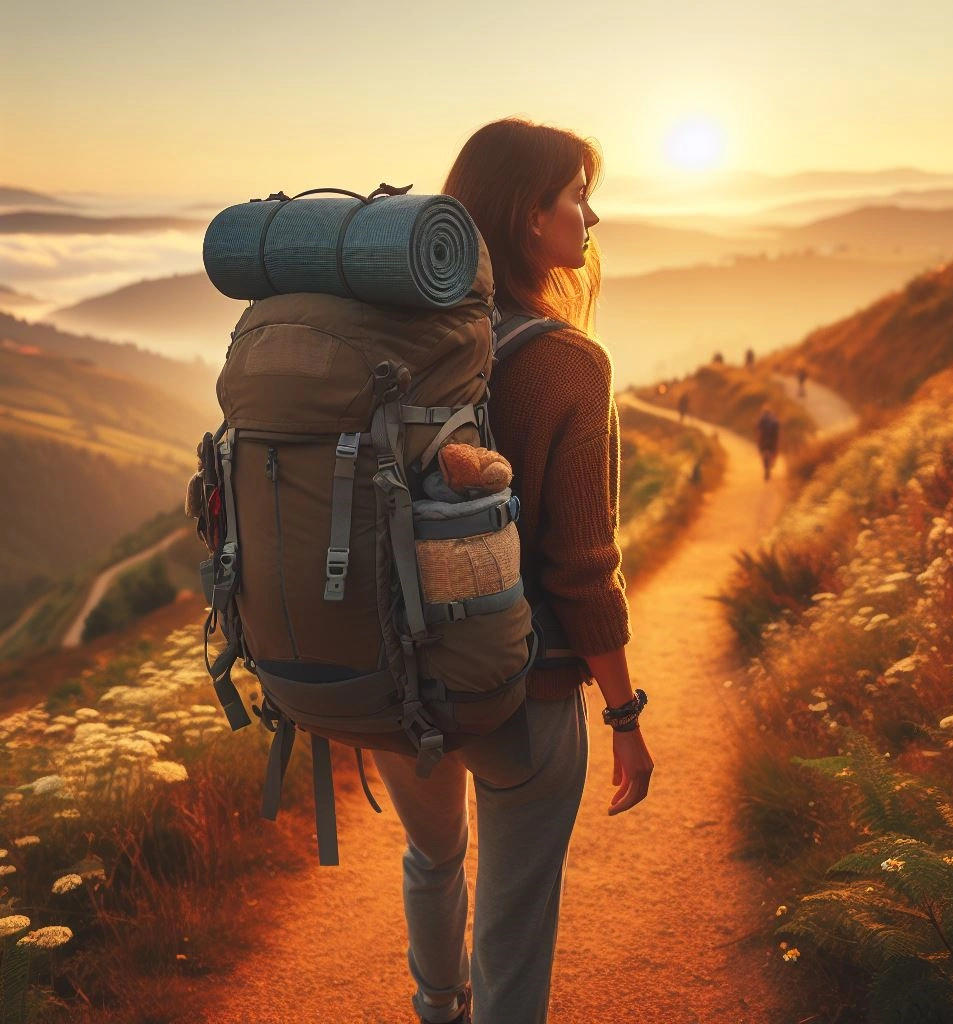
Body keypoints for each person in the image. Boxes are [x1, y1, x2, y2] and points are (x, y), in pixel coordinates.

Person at [371, 118, 654, 1024]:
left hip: (398, 677)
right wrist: (623, 711)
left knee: (433, 858)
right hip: (520, 689)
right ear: (531, 220)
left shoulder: (401, 339)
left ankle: (434, 1005)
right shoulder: (568, 363)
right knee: (515, 926)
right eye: (576, 196)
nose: (591, 216)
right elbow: (580, 570)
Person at [756, 403, 780, 481]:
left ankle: (766, 468)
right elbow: (777, 430)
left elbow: (758, 429)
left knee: (763, 452)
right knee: (773, 451)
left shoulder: (762, 418)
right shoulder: (774, 419)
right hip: (773, 439)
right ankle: (771, 463)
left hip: (763, 439)